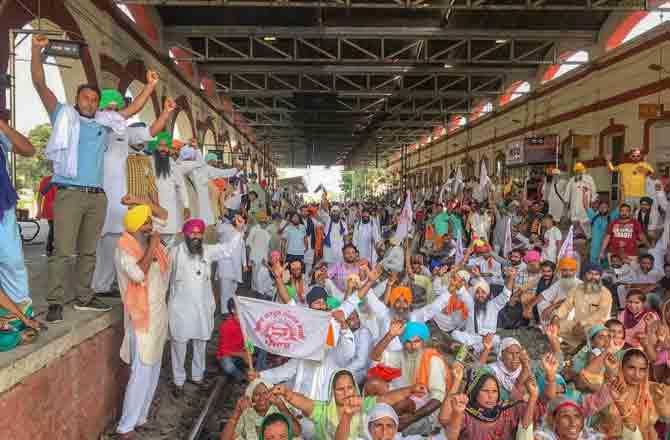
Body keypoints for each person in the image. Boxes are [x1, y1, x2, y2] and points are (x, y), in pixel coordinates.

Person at [32, 34, 160, 323]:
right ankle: (55, 301)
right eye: (85, 98)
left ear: (98, 104)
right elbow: (40, 85)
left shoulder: (105, 123)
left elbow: (133, 110)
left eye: (94, 99)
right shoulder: (64, 116)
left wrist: (151, 85)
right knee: (63, 251)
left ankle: (84, 296)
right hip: (70, 192)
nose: (89, 103)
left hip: (96, 195)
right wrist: (36, 51)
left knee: (88, 251)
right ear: (77, 100)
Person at [92, 100, 174, 299]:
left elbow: (150, 131)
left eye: (116, 108)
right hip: (100, 198)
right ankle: (97, 286)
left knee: (121, 245)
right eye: (108, 108)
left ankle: (110, 283)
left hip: (128, 205)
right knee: (99, 246)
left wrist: (166, 113)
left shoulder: (127, 137)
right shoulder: (95, 129)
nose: (112, 112)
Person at [114, 205, 171, 438]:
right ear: (137, 227)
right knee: (140, 372)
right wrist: (154, 245)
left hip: (158, 317)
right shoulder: (124, 249)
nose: (152, 227)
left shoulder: (147, 242)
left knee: (153, 369)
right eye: (147, 223)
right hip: (141, 320)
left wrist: (141, 200)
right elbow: (139, 275)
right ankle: (125, 427)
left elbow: (164, 216)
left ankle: (141, 417)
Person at [168, 218, 239, 397]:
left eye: (199, 233)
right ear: (185, 234)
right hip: (180, 310)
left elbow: (228, 249)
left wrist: (239, 231)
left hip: (202, 308)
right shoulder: (175, 253)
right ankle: (178, 381)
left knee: (200, 344)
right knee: (179, 346)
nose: (196, 236)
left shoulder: (207, 250)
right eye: (193, 233)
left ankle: (198, 377)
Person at [270, 369, 425, 440]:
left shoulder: (362, 404)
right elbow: (303, 402)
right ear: (332, 391)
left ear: (355, 388)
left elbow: (387, 399)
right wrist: (285, 392)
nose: (346, 392)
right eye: (340, 389)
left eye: (350, 387)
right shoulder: (322, 410)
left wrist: (410, 389)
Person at [371, 322, 461, 435]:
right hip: (411, 397)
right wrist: (390, 335)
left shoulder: (433, 361)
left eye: (416, 341)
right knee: (374, 384)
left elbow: (437, 399)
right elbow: (375, 356)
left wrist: (411, 419)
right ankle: (379, 423)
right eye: (408, 342)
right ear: (403, 343)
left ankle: (382, 427)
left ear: (423, 342)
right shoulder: (403, 354)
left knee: (400, 408)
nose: (413, 346)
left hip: (429, 413)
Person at [0, 119, 36, 327]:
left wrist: (2, 125)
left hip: (2, 208)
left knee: (12, 262)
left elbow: (28, 150)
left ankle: (22, 316)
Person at [593, 349, 670, 440]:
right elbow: (595, 407)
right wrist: (610, 373)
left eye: (642, 369)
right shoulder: (612, 387)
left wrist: (661, 403)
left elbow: (667, 417)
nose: (637, 375)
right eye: (631, 368)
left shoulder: (655, 389)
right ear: (621, 367)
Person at [439, 372, 537, 440]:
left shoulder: (504, 409)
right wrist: (457, 413)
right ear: (475, 392)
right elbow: (450, 436)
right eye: (485, 391)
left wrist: (533, 397)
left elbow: (525, 428)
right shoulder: (466, 413)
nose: (490, 396)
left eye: (494, 391)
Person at [549, 263, 613, 351]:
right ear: (584, 275)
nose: (593, 277)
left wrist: (583, 323)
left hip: (596, 328)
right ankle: (577, 346)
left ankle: (588, 348)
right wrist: (556, 317)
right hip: (576, 324)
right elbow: (566, 305)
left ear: (600, 277)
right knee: (554, 327)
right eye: (590, 273)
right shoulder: (576, 289)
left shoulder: (605, 293)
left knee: (587, 333)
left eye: (596, 274)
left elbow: (602, 313)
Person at [451, 268, 517, 354]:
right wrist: (454, 275)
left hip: (488, 339)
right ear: (474, 295)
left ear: (487, 294)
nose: (480, 295)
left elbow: (506, 295)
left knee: (496, 340)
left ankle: (470, 349)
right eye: (477, 293)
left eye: (483, 292)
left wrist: (511, 278)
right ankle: (474, 349)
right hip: (472, 337)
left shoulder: (494, 305)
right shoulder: (471, 303)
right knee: (455, 334)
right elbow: (461, 290)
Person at [221, 379, 302, 440]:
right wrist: (237, 412)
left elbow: (297, 432)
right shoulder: (246, 412)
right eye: (257, 394)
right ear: (250, 397)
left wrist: (280, 404)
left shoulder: (279, 407)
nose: (262, 398)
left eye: (265, 393)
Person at [535, 395, 645, 440]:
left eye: (577, 416)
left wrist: (620, 405)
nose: (573, 422)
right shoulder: (542, 437)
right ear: (553, 420)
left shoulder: (592, 438)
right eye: (565, 416)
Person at [600, 203, 649, 267]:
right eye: (622, 211)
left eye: (627, 211)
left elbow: (642, 236)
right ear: (619, 212)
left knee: (630, 274)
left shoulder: (635, 223)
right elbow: (607, 238)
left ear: (630, 212)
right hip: (614, 254)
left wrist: (649, 247)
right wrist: (602, 252)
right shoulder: (613, 223)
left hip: (631, 255)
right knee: (614, 274)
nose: (624, 213)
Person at [217, 214, 247, 311]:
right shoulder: (225, 230)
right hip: (225, 267)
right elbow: (219, 229)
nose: (239, 221)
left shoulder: (240, 234)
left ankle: (230, 310)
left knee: (233, 290)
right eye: (236, 218)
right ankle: (225, 312)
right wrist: (225, 220)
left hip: (236, 268)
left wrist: (244, 264)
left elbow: (243, 250)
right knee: (225, 291)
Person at [564, 162, 597, 239]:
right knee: (574, 228)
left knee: (586, 227)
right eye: (576, 170)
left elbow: (594, 191)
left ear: (583, 170)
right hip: (574, 208)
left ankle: (589, 239)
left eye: (580, 170)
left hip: (585, 209)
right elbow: (567, 194)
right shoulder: (572, 180)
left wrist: (592, 203)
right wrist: (566, 209)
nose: (578, 172)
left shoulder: (589, 179)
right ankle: (575, 241)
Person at [217, 298, 247, 382]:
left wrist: (248, 350)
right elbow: (223, 351)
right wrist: (242, 354)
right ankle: (241, 377)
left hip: (241, 351)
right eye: (240, 306)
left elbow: (249, 340)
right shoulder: (226, 326)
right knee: (228, 367)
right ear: (233, 310)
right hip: (228, 355)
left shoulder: (246, 320)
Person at [587, 200, 618, 265]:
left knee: (607, 271)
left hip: (607, 250)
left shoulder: (611, 217)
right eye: (601, 207)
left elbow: (620, 206)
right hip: (594, 251)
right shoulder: (593, 217)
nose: (603, 209)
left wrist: (622, 192)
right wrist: (584, 193)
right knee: (594, 270)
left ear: (608, 208)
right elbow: (585, 206)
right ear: (598, 208)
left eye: (605, 207)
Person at [37, 173, 57, 256]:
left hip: (55, 209)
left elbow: (40, 196)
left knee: (54, 229)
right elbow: (40, 196)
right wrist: (38, 211)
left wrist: (39, 211)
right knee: (54, 229)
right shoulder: (47, 180)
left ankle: (50, 249)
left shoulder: (46, 180)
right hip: (52, 210)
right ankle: (50, 249)